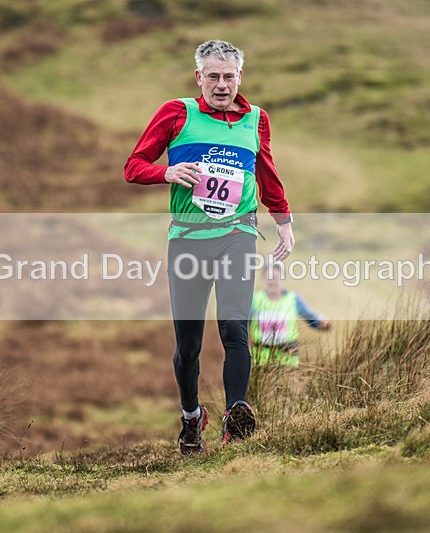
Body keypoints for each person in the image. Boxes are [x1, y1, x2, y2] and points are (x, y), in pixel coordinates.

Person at [124, 40, 294, 455]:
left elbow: (266, 172)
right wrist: (168, 172)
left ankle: (236, 414)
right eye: (213, 77)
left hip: (238, 234)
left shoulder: (256, 119)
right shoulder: (176, 112)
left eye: (229, 76)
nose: (222, 85)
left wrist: (284, 221)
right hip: (187, 239)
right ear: (199, 77)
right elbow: (133, 167)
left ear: (241, 78)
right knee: (189, 346)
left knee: (235, 327)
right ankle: (191, 418)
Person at [250, 262, 331, 368]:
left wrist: (321, 322)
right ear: (263, 279)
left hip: (289, 362)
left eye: (275, 277)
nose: (272, 281)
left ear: (282, 278)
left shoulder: (294, 299)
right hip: (260, 362)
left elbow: (311, 317)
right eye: (268, 277)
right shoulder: (254, 300)